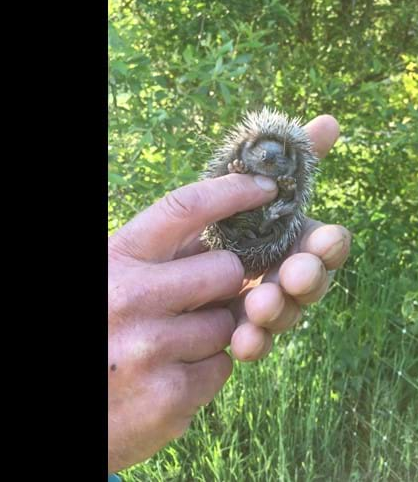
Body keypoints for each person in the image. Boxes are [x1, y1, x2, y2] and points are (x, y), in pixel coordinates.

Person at [107, 115, 351, 474]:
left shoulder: (289, 180)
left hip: (263, 236)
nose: (267, 164)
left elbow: (288, 207)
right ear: (244, 152)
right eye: (260, 157)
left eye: (276, 160)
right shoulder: (238, 164)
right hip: (236, 232)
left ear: (292, 163)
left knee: (288, 246)